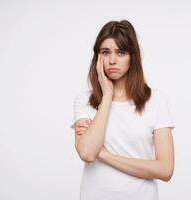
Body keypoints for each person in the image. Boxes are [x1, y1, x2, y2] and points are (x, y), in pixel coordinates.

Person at [71, 19, 175, 200]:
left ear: (132, 57)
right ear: (97, 58)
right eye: (105, 52)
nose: (112, 60)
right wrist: (107, 96)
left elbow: (165, 170)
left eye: (120, 52)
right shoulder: (84, 101)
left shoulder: (155, 100)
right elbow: (87, 153)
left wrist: (103, 154)